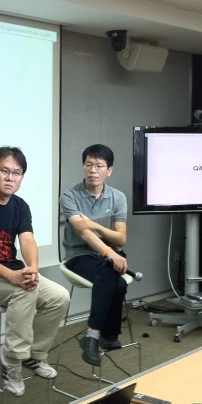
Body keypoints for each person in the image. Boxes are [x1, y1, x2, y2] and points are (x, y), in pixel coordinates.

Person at [0, 147, 70, 396]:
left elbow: (27, 240)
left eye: (17, 173)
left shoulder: (20, 205)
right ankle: (12, 361)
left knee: (59, 296)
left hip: (12, 273)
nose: (10, 177)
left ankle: (34, 355)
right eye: (4, 171)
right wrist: (14, 277)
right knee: (24, 291)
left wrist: (33, 271)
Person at [60, 144, 130, 366]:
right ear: (83, 167)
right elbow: (83, 232)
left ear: (109, 170)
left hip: (108, 255)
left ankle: (101, 336)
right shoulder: (70, 196)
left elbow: (121, 238)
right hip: (78, 256)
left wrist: (95, 225)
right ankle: (98, 335)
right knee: (114, 278)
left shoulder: (117, 197)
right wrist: (109, 252)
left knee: (114, 278)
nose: (93, 170)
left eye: (99, 166)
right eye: (88, 164)